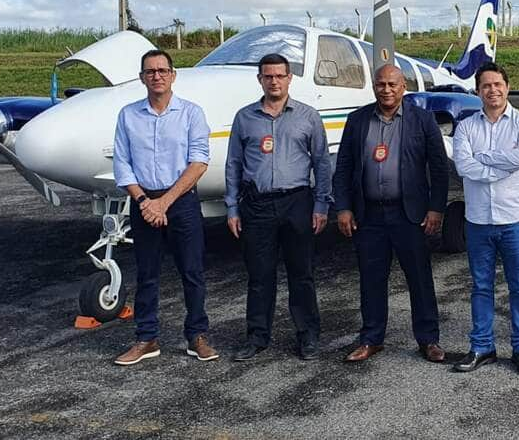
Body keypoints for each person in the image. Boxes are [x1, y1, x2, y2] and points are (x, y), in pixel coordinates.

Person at [334, 64, 449, 364]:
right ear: (374, 86)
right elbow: (344, 166)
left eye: (392, 84)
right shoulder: (357, 120)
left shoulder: (422, 120)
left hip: (409, 214)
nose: (386, 90)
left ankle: (428, 340)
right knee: (371, 279)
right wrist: (343, 207)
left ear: (403, 87)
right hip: (368, 215)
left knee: (420, 279)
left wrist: (436, 208)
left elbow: (438, 167)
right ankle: (371, 338)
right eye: (381, 84)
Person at [224, 53, 333, 362]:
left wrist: (322, 204)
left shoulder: (308, 117)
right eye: (267, 76)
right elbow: (233, 164)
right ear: (260, 79)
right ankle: (257, 336)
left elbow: (322, 163)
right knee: (259, 276)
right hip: (257, 204)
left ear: (289, 79)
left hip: (297, 202)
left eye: (279, 76)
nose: (274, 81)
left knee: (302, 273)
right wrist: (232, 208)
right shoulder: (245, 118)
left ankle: (308, 335)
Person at [111, 49, 217, 365]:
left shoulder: (191, 113)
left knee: (192, 272)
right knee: (146, 274)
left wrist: (165, 202)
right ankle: (146, 338)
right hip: (143, 201)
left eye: (162, 70)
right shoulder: (128, 115)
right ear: (142, 77)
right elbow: (122, 163)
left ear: (173, 74)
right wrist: (145, 201)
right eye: (150, 71)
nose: (157, 76)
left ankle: (197, 335)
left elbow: (199, 162)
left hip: (181, 201)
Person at [450, 62, 519, 374]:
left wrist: (483, 160)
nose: (493, 90)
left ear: (507, 86)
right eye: (486, 85)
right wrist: (498, 166)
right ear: (478, 91)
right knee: (481, 286)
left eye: (498, 84)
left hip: (514, 219)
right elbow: (463, 166)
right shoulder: (465, 127)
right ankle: (482, 346)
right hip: (478, 221)